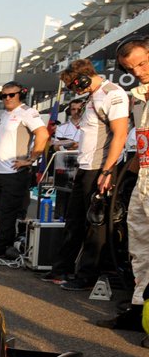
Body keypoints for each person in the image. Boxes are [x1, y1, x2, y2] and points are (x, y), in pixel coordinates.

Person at [42, 60, 127, 287]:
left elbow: (119, 135)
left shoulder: (112, 94)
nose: (73, 91)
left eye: (73, 86)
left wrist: (107, 171)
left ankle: (86, 276)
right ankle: (62, 269)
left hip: (101, 168)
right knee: (74, 220)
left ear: (83, 78)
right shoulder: (92, 96)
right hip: (85, 165)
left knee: (94, 224)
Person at [95, 38, 149, 339]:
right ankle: (140, 308)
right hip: (142, 175)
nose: (139, 71)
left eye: (143, 63)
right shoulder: (140, 97)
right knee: (139, 244)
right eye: (132, 68)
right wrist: (119, 171)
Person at [0, 81, 50, 262]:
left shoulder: (27, 112)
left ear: (20, 94)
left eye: (11, 95)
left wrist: (31, 159)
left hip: (15, 173)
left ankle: (1, 245)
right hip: (0, 172)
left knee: (7, 212)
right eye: (3, 96)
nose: (7, 98)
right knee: (0, 211)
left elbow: (43, 134)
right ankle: (6, 242)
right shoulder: (5, 114)